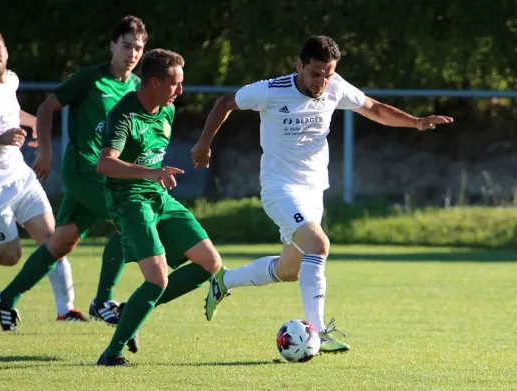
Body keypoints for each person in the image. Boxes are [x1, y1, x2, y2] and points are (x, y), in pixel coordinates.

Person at [191, 35, 454, 353]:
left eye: (328, 73)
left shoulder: (335, 86)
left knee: (290, 270)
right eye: (316, 73)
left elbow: (373, 108)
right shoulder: (270, 91)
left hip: (313, 191)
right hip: (280, 188)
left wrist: (416, 123)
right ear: (299, 65)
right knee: (319, 244)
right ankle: (318, 332)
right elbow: (225, 103)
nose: (322, 81)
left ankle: (224, 281)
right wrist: (205, 142)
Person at [0, 16, 147, 335]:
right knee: (128, 220)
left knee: (60, 241)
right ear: (113, 45)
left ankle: (6, 299)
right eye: (126, 46)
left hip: (103, 174)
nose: (132, 53)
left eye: (138, 48)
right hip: (83, 169)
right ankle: (102, 302)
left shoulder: (134, 86)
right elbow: (48, 107)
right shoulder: (91, 79)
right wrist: (46, 152)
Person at [96, 48, 224, 366]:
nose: (181, 91)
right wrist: (150, 173)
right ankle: (112, 354)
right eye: (174, 84)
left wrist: (157, 175)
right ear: (153, 82)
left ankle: (132, 308)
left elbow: (150, 157)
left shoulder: (166, 110)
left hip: (159, 197)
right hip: (129, 201)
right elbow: (105, 163)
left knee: (210, 263)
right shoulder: (124, 114)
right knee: (157, 279)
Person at [0, 28, 87, 327]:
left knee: (54, 241)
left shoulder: (11, 80)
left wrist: (34, 127)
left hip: (20, 177)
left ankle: (65, 309)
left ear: (6, 49)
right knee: (10, 256)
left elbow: (12, 113)